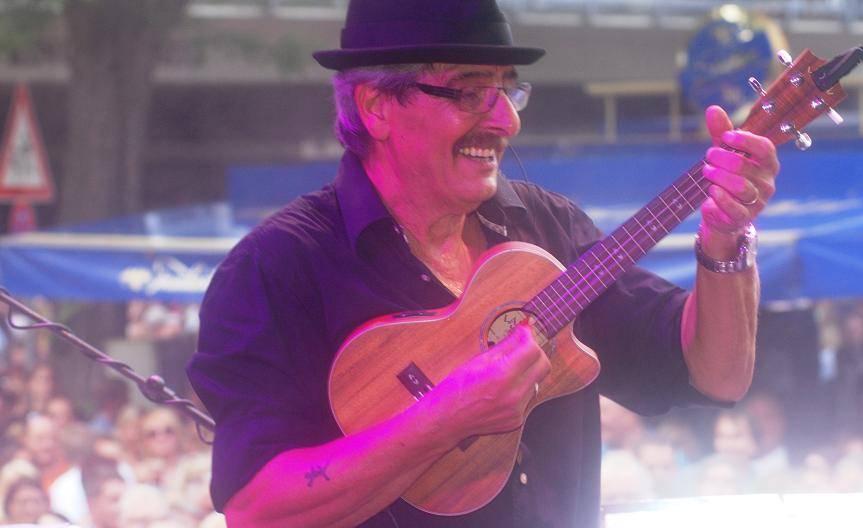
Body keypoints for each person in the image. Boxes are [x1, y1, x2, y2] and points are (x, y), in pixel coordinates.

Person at [187, 0, 779, 525]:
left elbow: (717, 374)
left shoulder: (549, 229)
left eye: (509, 91)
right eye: (470, 92)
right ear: (376, 107)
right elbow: (257, 510)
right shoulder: (278, 268)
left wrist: (725, 241)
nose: (506, 120)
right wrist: (444, 418)